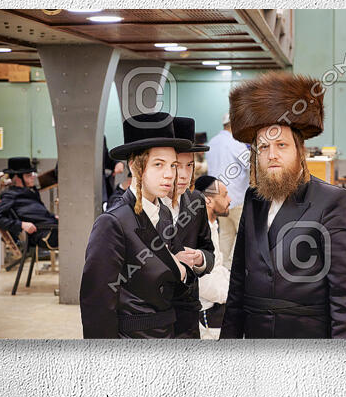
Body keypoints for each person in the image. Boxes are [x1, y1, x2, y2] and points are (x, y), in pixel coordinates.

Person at [221, 72, 346, 339]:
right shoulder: (254, 199)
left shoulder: (332, 201)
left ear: (300, 151)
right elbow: (238, 282)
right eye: (263, 147)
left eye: (281, 145)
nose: (272, 154)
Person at [79, 113, 198, 338]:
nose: (169, 175)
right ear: (134, 166)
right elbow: (97, 306)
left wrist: (182, 271)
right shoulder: (112, 223)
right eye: (158, 164)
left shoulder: (164, 213)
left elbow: (176, 286)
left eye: (172, 165)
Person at [163, 117, 216, 338]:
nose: (184, 174)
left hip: (188, 314)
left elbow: (208, 250)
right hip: (154, 315)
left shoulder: (196, 202)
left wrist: (200, 259)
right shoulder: (144, 206)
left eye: (190, 165)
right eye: (177, 166)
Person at [207, 112, 249, 263]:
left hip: (217, 199)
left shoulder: (212, 142)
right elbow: (251, 164)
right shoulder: (236, 143)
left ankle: (224, 267)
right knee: (244, 234)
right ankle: (236, 265)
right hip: (236, 198)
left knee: (225, 233)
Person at [194, 175, 232, 340]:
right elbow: (202, 282)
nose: (230, 200)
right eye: (224, 195)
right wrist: (233, 294)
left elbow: (218, 267)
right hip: (207, 316)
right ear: (208, 201)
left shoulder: (212, 225)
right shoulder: (197, 232)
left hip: (218, 308)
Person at [0, 157, 58, 248]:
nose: (33, 177)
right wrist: (22, 225)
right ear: (18, 178)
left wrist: (53, 217)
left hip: (52, 227)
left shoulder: (30, 192)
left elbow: (42, 214)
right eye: (28, 175)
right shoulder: (10, 195)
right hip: (44, 234)